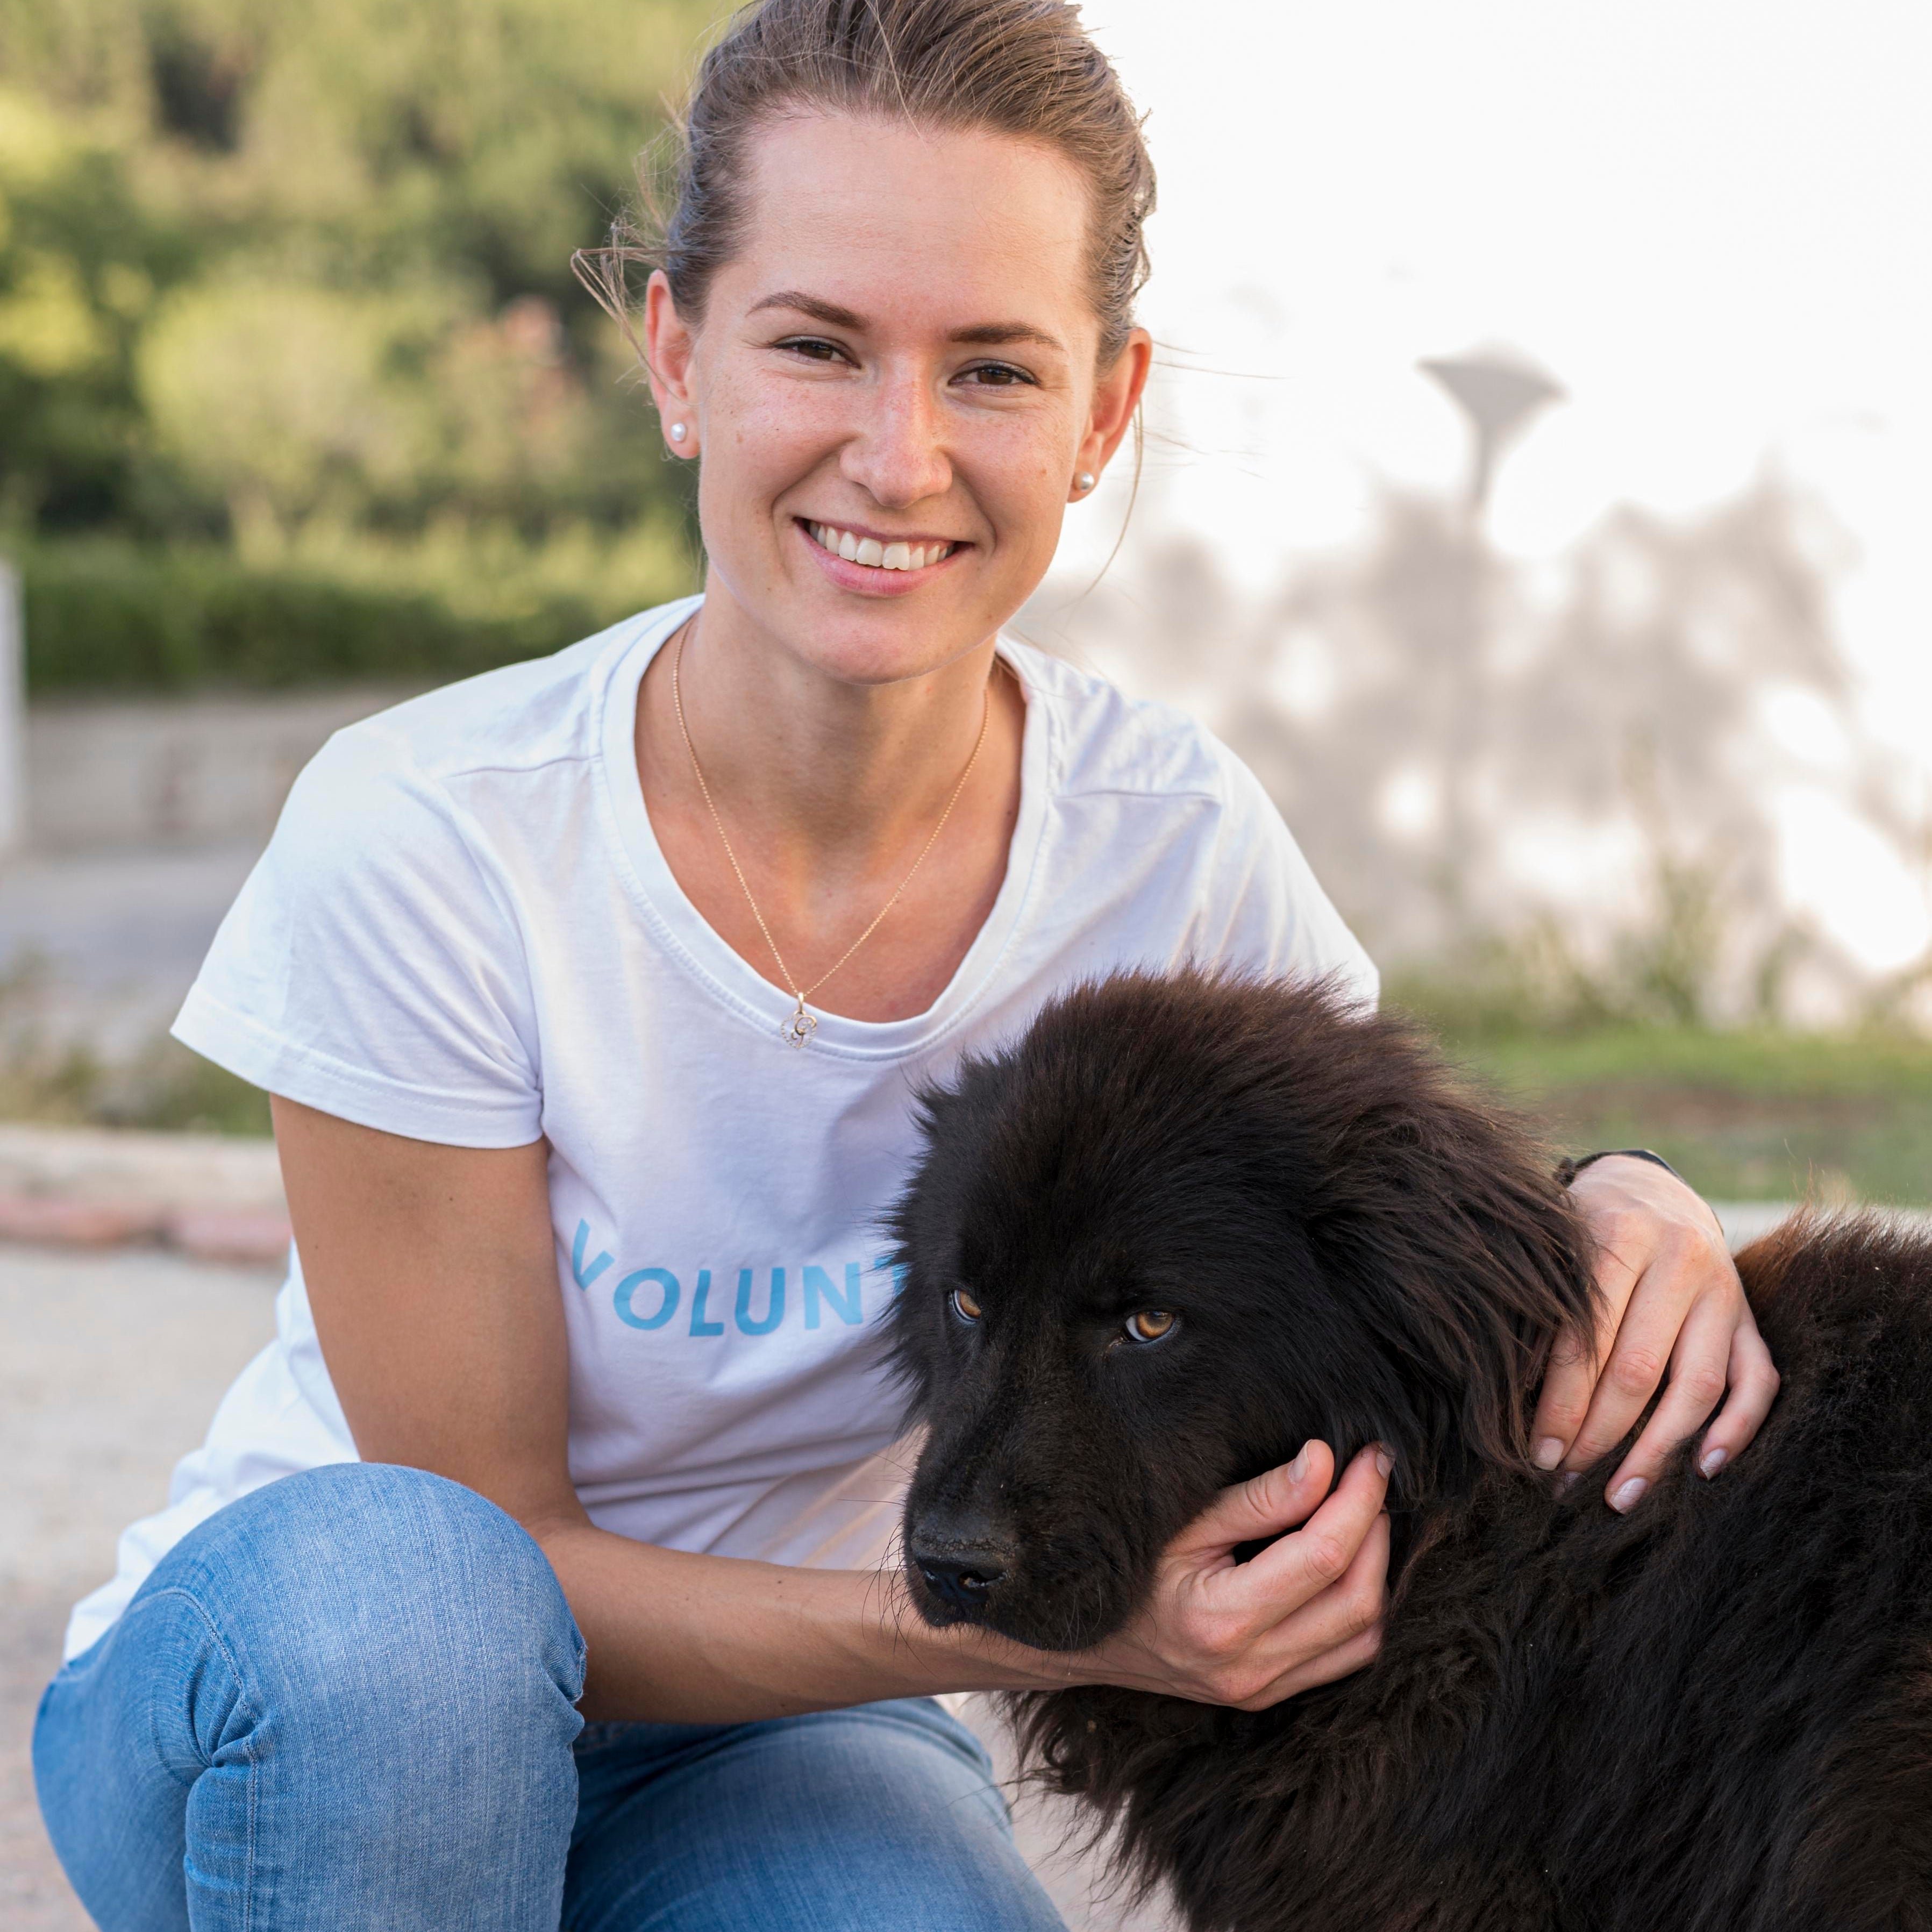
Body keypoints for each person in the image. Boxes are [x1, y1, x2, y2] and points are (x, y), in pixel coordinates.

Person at [33, 3, 1780, 1927]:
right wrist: (1076, 1636)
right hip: (310, 1702)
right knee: (418, 1615)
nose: (899, 452)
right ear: (678, 356)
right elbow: (507, 1557)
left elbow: (1393, 1229)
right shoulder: (436, 836)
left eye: (993, 370)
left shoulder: (1168, 844)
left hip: (781, 1736)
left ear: (1103, 414)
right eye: (816, 344)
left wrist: (1624, 1205)